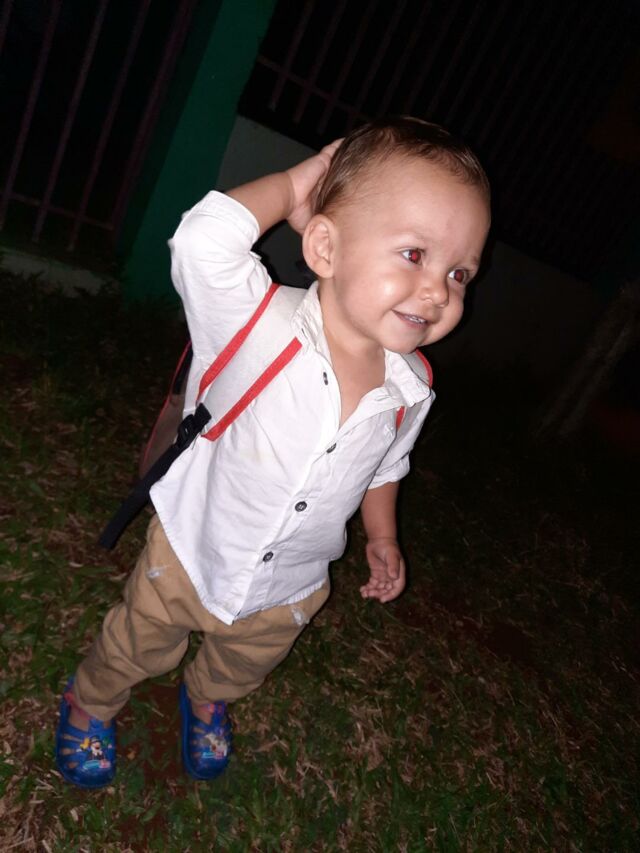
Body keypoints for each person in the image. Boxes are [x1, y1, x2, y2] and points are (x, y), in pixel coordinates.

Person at [55, 117, 490, 788]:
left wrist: (382, 535)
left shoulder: (412, 385)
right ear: (325, 246)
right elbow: (202, 240)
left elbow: (385, 467)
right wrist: (294, 184)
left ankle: (208, 697)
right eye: (414, 254)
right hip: (193, 548)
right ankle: (92, 699)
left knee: (245, 660)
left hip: (291, 583)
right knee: (139, 639)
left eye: (459, 272)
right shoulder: (257, 318)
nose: (439, 290)